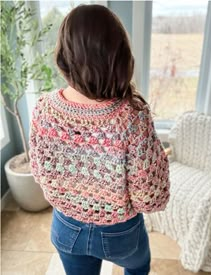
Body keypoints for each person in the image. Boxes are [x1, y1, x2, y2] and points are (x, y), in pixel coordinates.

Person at [28, 4, 170, 275]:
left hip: (66, 227)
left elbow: (40, 172)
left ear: (64, 57)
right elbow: (149, 197)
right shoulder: (132, 116)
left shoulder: (44, 108)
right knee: (139, 267)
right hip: (120, 232)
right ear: (119, 56)